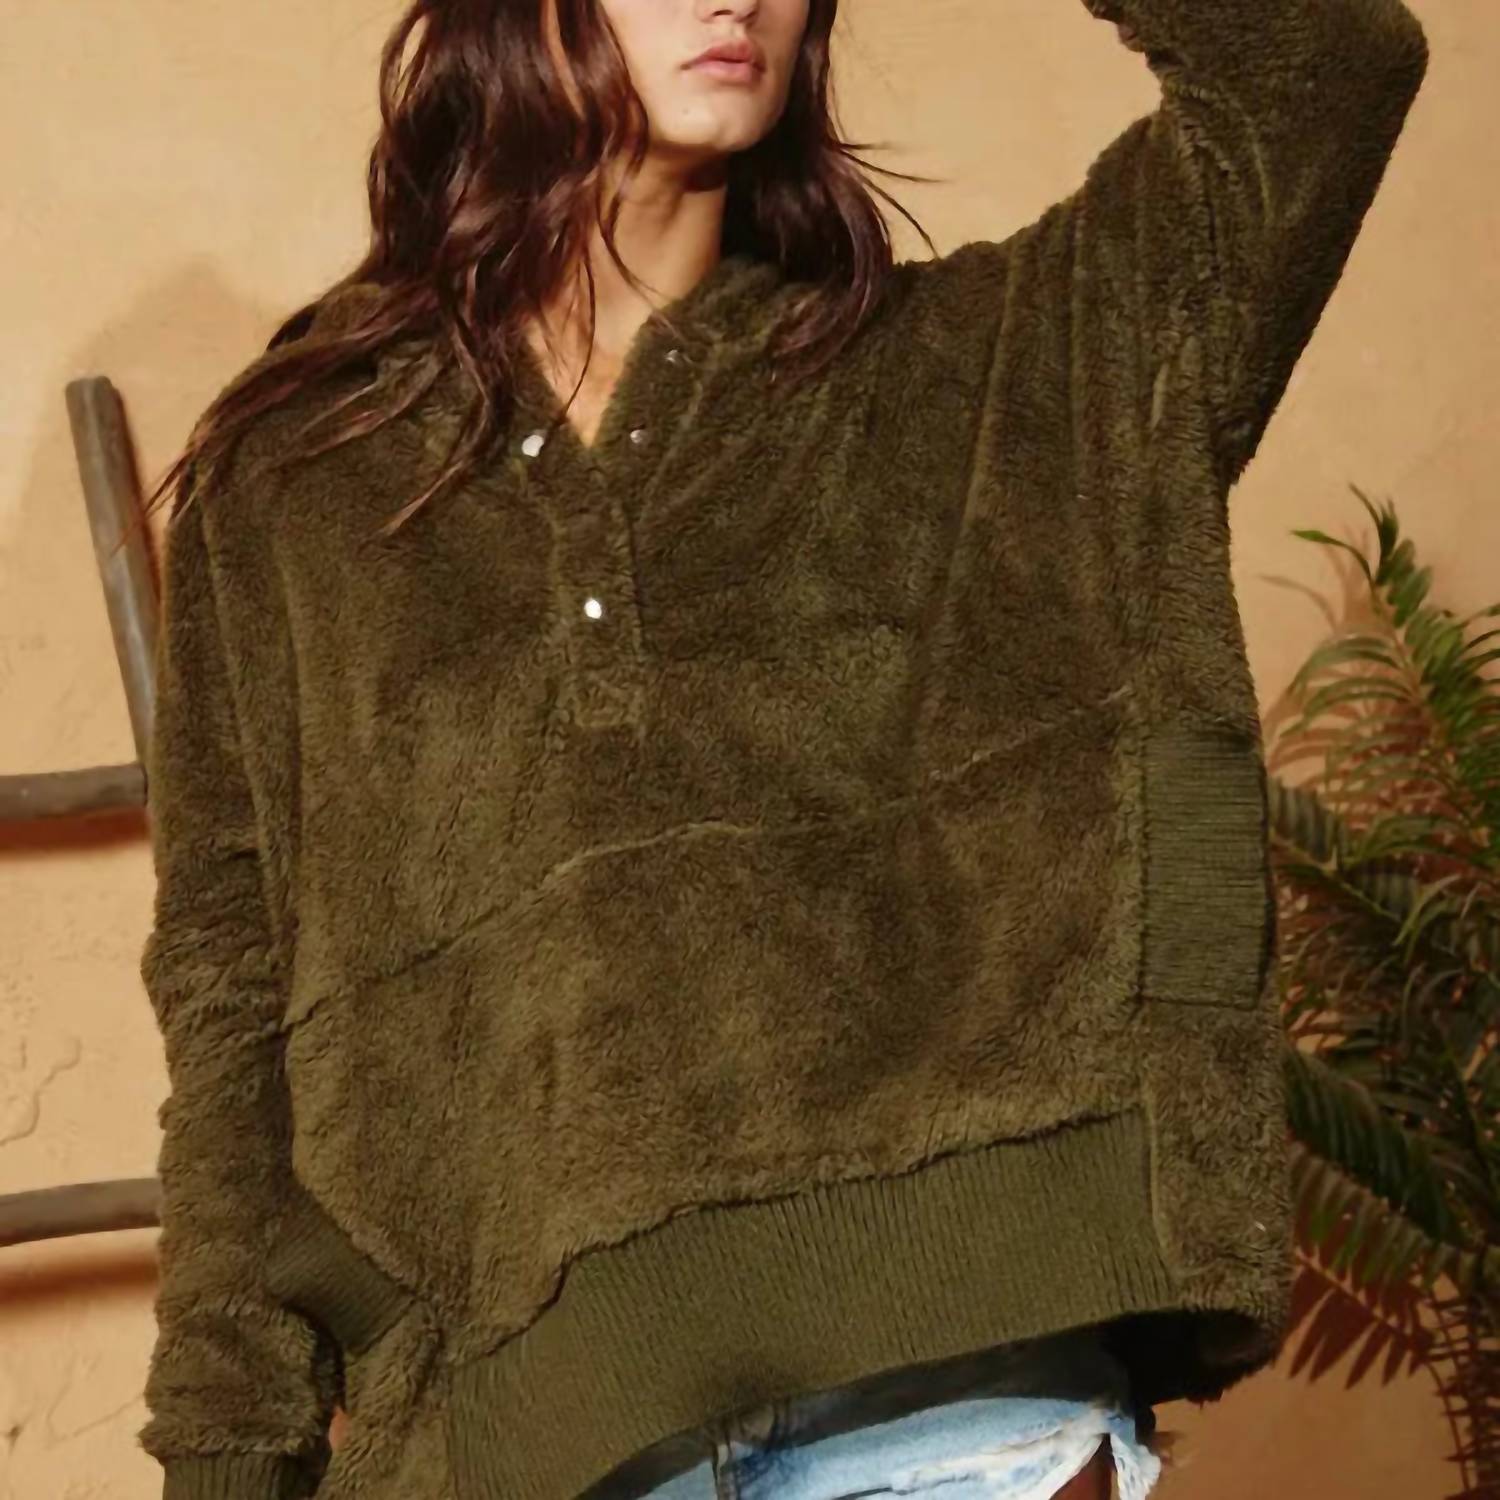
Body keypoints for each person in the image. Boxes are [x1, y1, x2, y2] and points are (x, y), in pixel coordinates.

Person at [132, 1, 1428, 1498]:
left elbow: (1329, 65)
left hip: (959, 1416)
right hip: (533, 1439)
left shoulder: (995, 369)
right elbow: (231, 1006)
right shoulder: (297, 475)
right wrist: (228, 1461)